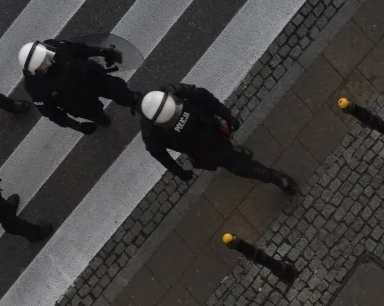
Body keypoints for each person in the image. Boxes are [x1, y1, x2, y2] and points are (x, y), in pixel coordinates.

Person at [139, 84, 299, 194]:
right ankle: (274, 177)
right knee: (237, 166)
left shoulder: (174, 91)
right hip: (200, 148)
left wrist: (227, 115)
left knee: (227, 147)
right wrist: (179, 172)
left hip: (209, 126)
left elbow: (204, 96)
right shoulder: (151, 135)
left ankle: (231, 150)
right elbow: (159, 154)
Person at [18, 39, 140, 135]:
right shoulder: (35, 88)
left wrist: (101, 52)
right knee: (97, 115)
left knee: (122, 93)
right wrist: (77, 126)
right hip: (79, 103)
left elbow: (79, 50)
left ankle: (136, 102)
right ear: (35, 70)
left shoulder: (53, 47)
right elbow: (52, 113)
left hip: (93, 79)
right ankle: (102, 119)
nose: (49, 62)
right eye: (43, 64)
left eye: (47, 57)